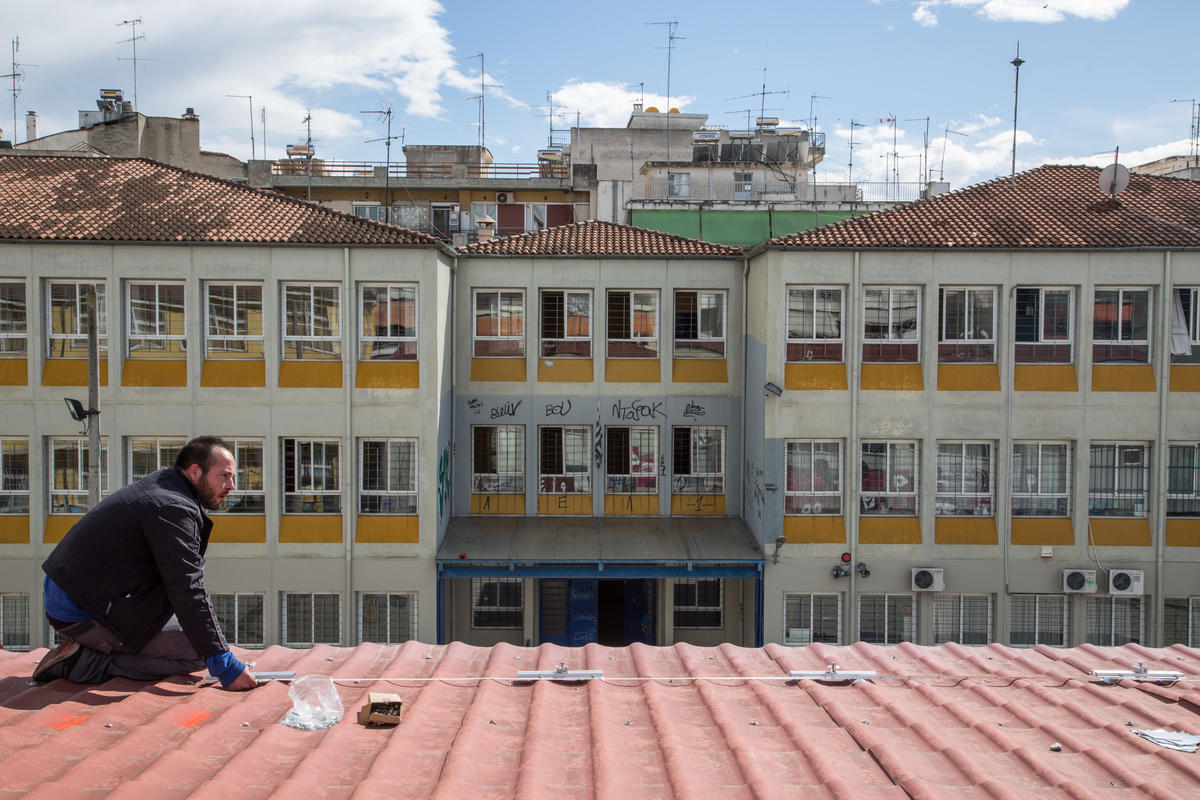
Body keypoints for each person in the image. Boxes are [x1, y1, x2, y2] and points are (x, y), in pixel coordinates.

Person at [33, 436, 256, 690]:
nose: (232, 486)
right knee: (199, 651)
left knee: (200, 632)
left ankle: (93, 649)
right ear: (195, 472)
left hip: (82, 595)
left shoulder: (165, 489)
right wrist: (226, 667)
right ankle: (84, 662)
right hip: (79, 610)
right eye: (224, 476)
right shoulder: (172, 508)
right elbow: (187, 589)